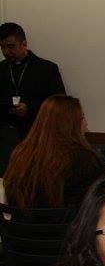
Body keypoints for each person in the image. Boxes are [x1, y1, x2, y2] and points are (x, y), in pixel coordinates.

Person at [3, 95, 104, 210]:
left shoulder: (20, 155)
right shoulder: (85, 160)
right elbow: (100, 200)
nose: (86, 125)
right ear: (71, 125)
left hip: (21, 226)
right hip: (70, 227)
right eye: (82, 118)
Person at [0, 22, 66, 172]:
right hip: (6, 141)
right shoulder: (1, 70)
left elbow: (59, 104)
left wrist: (29, 108)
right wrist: (9, 109)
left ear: (24, 44)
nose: (6, 52)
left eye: (11, 46)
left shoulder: (47, 69)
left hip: (38, 138)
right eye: (2, 47)